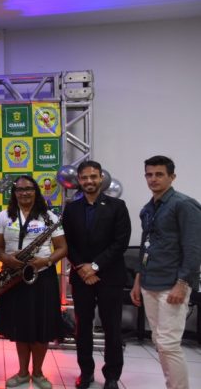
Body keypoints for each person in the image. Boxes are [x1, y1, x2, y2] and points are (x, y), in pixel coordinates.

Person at [131, 155, 201, 389]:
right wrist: (138, 279)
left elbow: (193, 248)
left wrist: (183, 283)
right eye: (149, 174)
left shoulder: (184, 205)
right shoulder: (148, 208)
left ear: (172, 176)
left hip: (173, 283)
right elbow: (145, 246)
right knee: (158, 340)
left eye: (159, 174)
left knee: (169, 344)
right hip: (150, 281)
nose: (153, 179)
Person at [0, 175, 67, 389]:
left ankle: (39, 373)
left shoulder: (49, 216)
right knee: (20, 326)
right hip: (14, 277)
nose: (24, 193)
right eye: (19, 190)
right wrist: (7, 259)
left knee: (41, 327)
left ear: (36, 191)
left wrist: (46, 260)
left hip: (42, 277)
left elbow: (62, 248)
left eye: (29, 189)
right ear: (14, 194)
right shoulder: (4, 216)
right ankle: (23, 373)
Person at [62, 161, 131, 389]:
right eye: (84, 177)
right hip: (82, 278)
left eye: (93, 177)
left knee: (112, 327)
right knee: (83, 328)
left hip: (109, 276)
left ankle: (112, 376)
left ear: (101, 178)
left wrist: (96, 266)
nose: (89, 181)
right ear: (79, 180)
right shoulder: (71, 208)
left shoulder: (117, 206)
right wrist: (83, 267)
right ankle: (86, 373)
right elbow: (67, 243)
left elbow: (121, 242)